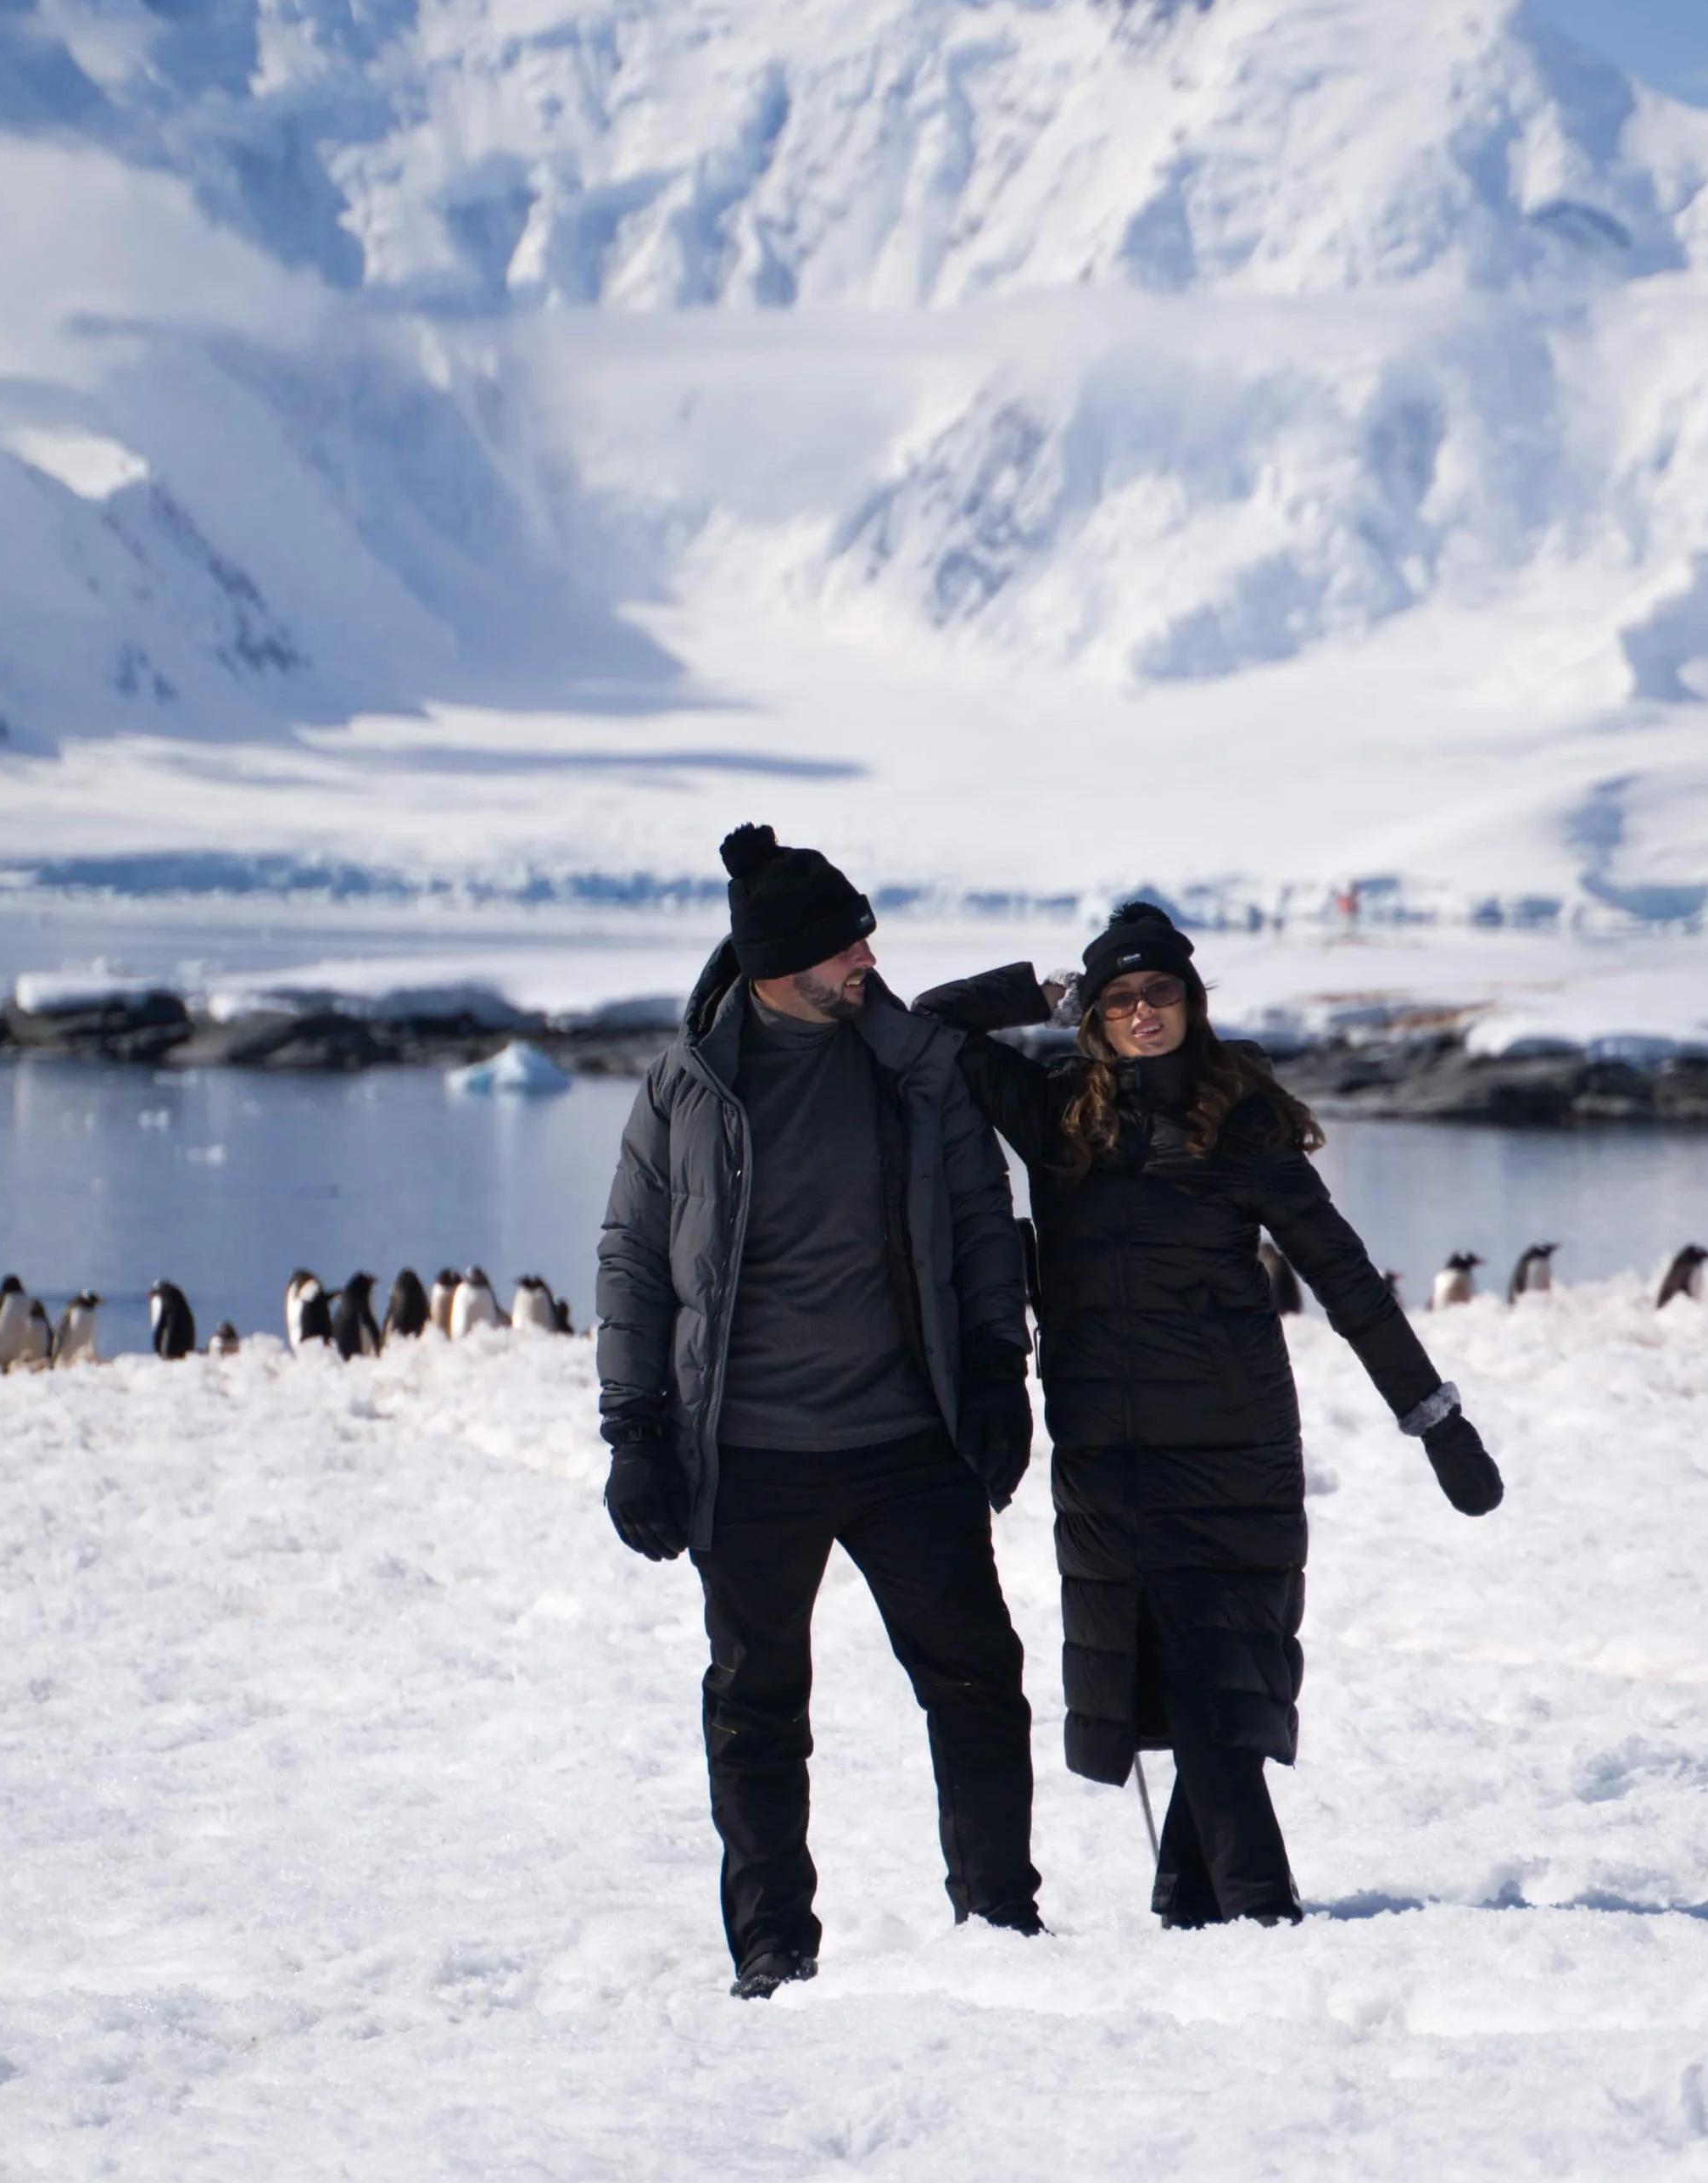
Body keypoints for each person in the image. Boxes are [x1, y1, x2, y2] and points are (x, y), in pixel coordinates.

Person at [914, 901, 1503, 1929]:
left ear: (1194, 1002)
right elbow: (927, 1026)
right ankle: (1193, 1902)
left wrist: (1435, 1417)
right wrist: (1033, 994)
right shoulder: (1054, 1110)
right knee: (1182, 1679)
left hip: (1233, 1444)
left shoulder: (1243, 1122)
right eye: (1122, 997)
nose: (1145, 1012)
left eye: (1163, 992)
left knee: (1216, 1679)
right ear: (1094, 1015)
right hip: (1104, 1450)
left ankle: (1257, 1907)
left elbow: (1347, 1280)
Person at [595, 824, 1043, 1996]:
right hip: (748, 1458)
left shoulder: (915, 1067)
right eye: (849, 947)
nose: (869, 961)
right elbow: (635, 1262)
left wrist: (999, 1369)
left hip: (910, 1442)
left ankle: (999, 1915)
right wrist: (634, 1430)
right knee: (755, 1708)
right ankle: (771, 1948)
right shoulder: (690, 1086)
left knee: (977, 1680)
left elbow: (982, 1227)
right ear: (781, 969)